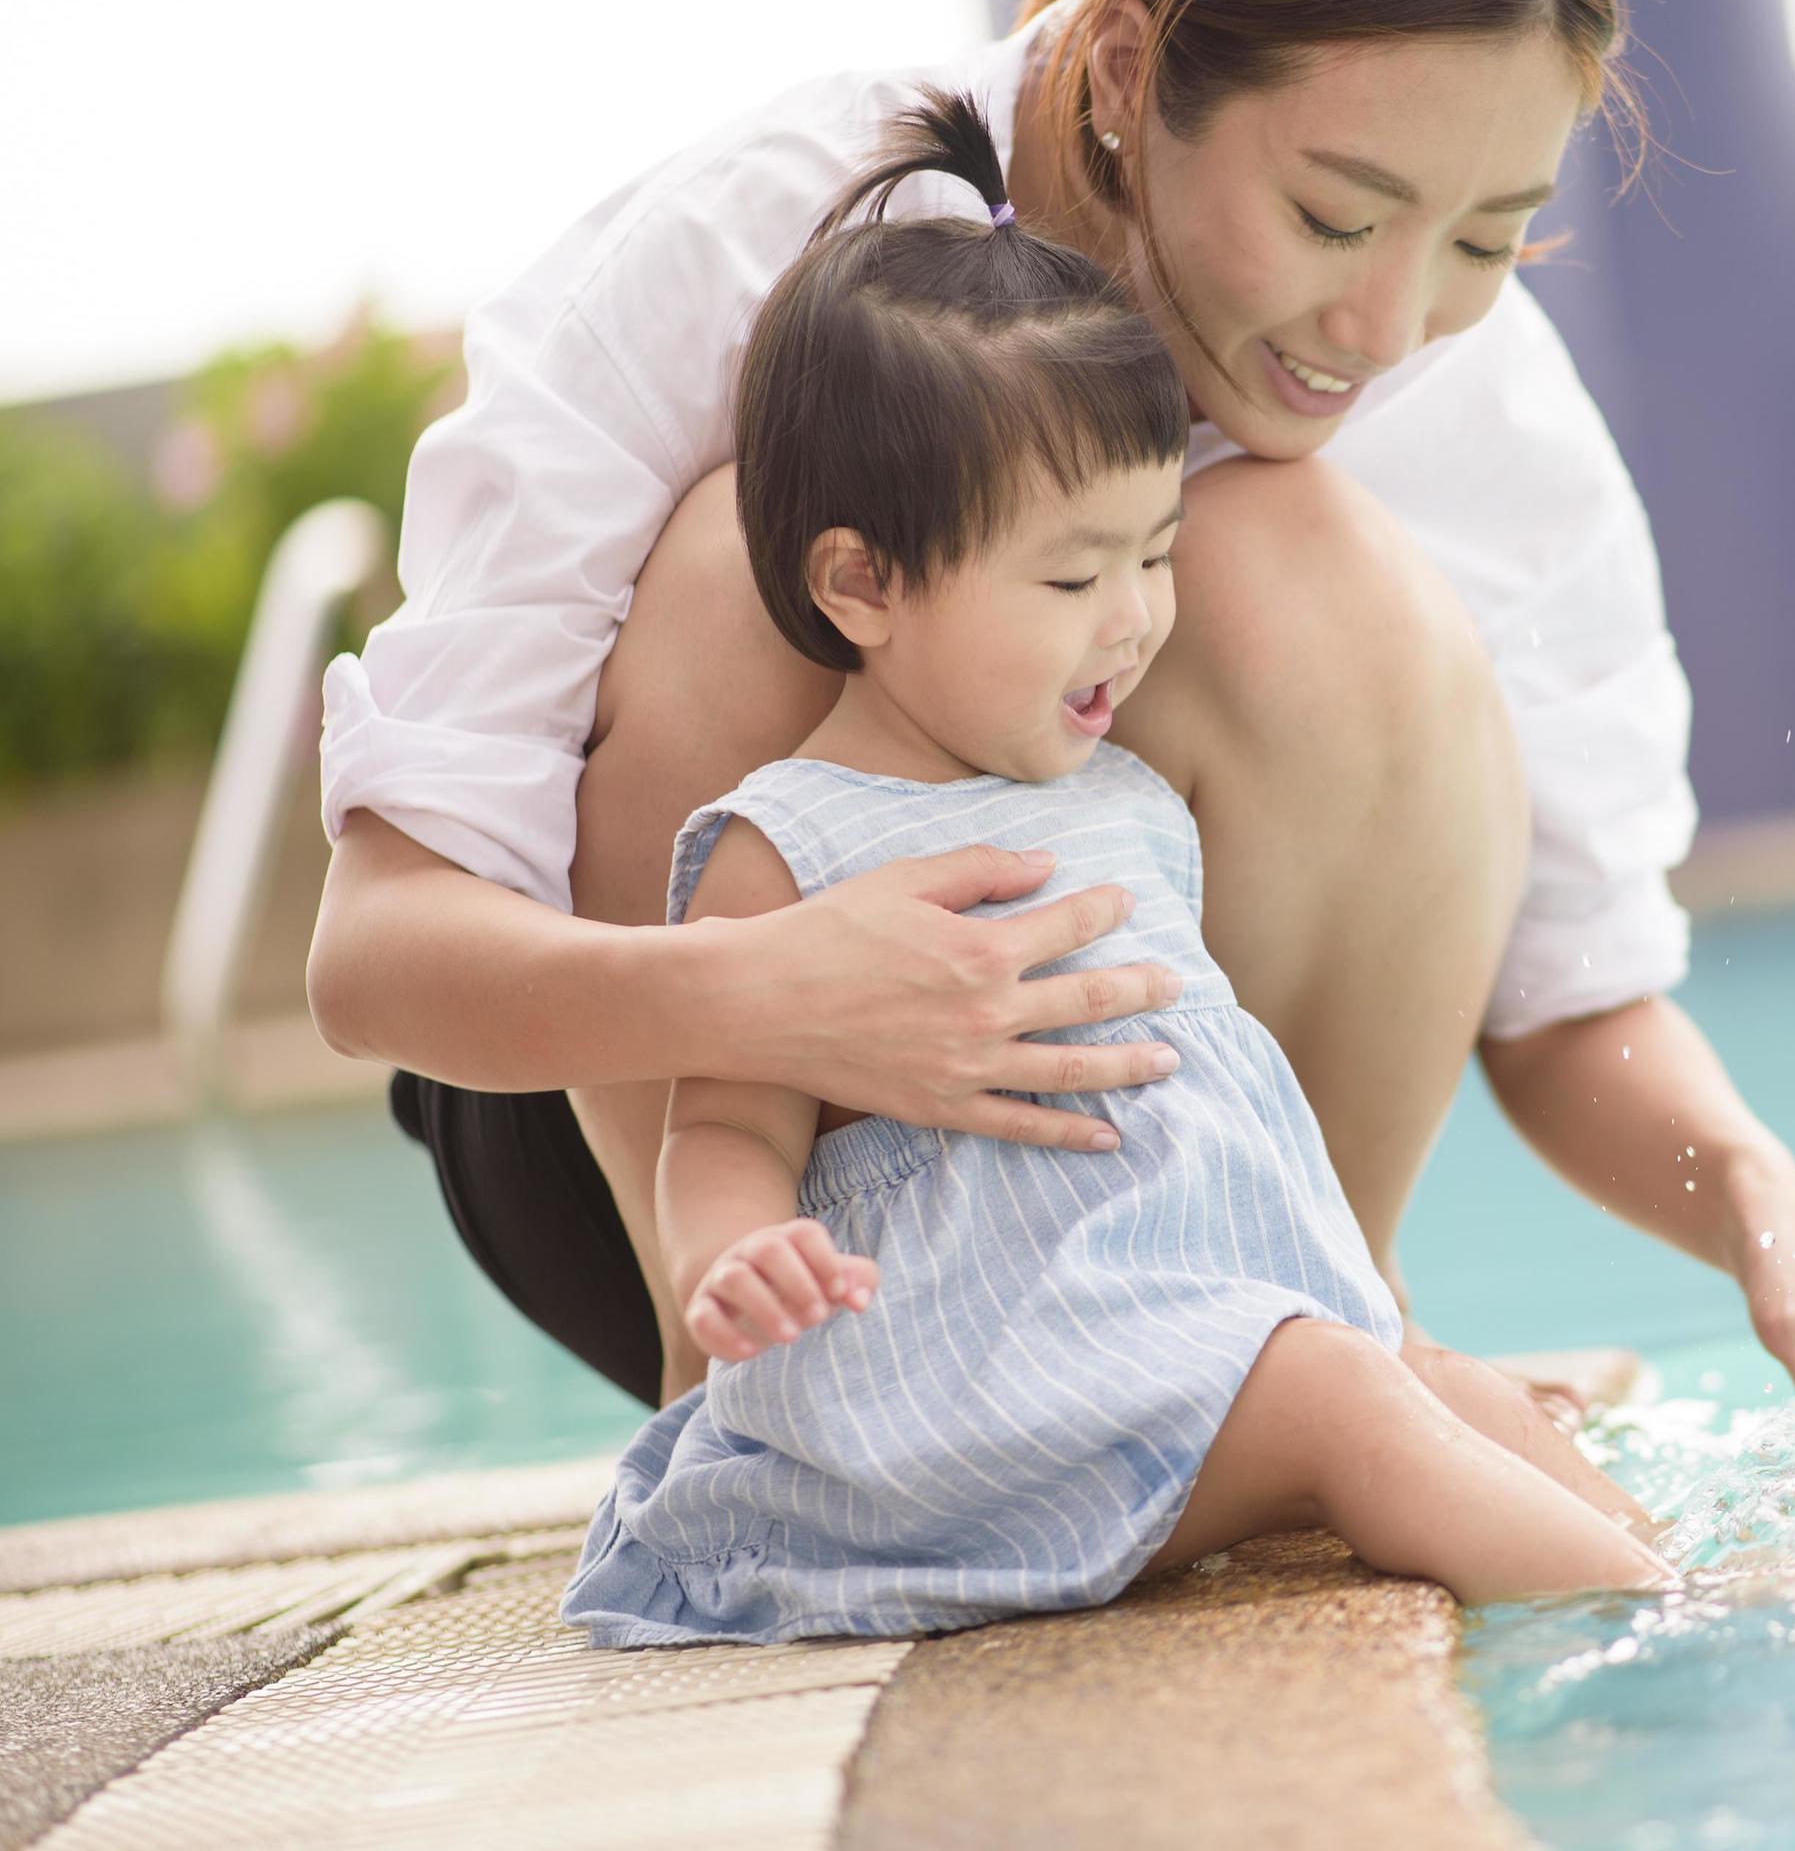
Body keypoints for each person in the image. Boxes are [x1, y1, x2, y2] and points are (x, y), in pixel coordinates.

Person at [308, 0, 1795, 1422]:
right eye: (1333, 213)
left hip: (1141, 1183)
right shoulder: (737, 251)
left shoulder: (1471, 403)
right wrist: (774, 993)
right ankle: (741, 1411)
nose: (1384, 327)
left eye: (1482, 239)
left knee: (1301, 563)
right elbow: (378, 952)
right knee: (756, 539)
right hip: (668, 1148)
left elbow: (1571, 994)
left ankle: (1315, 1320)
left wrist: (1753, 1200)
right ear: (1126, 67)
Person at [562, 95, 1667, 1643]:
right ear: (863, 582)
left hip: (1152, 1332)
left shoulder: (1128, 795)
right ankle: (1658, 1625)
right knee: (1349, 1397)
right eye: (1072, 574)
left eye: (1153, 554)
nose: (1134, 617)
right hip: (961, 1394)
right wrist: (736, 1252)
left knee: (1436, 1381)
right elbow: (724, 1118)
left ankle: (1687, 1565)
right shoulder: (785, 843)